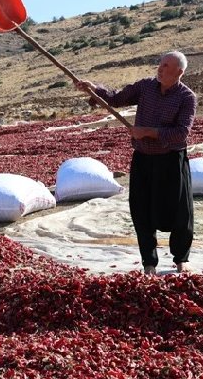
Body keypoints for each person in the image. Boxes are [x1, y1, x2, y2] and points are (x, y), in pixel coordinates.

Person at [75, 51, 196, 274]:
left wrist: (148, 132)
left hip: (171, 160)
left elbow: (181, 132)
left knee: (180, 211)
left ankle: (181, 259)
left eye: (166, 66)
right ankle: (149, 262)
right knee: (141, 210)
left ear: (179, 72)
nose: (160, 69)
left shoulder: (186, 97)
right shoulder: (145, 87)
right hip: (143, 158)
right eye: (160, 64)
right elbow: (116, 98)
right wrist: (93, 89)